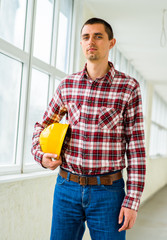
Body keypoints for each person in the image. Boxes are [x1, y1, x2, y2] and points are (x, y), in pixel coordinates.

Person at [32, 17, 146, 240]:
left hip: (108, 193)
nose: (91, 41)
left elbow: (136, 149)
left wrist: (132, 201)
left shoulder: (128, 87)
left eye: (98, 36)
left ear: (111, 43)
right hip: (66, 188)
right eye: (86, 37)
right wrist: (41, 156)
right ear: (81, 43)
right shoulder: (67, 85)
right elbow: (42, 126)